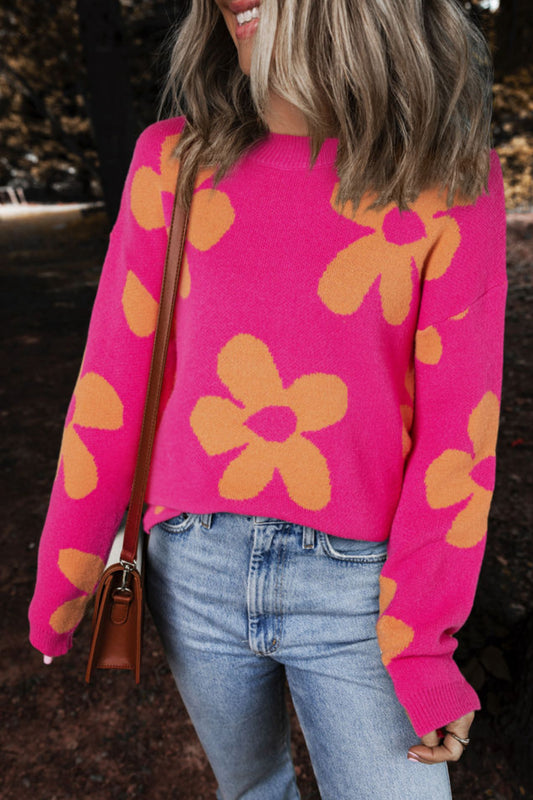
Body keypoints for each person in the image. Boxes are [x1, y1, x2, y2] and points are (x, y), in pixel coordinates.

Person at [28, 1, 508, 797]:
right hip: (192, 567)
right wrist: (64, 581)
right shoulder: (173, 163)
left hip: (360, 595)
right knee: (250, 790)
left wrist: (423, 644)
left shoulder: (450, 181)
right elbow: (110, 387)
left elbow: (457, 445)